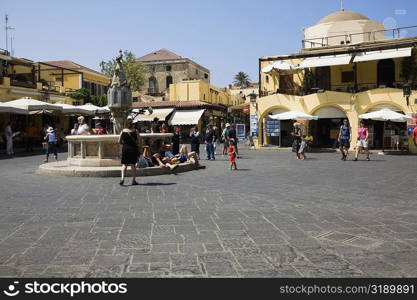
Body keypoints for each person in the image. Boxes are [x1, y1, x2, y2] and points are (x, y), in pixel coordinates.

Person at [119, 118, 140, 186]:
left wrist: (125, 144)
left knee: (124, 164)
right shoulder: (135, 131)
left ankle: (122, 178)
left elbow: (119, 141)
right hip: (133, 149)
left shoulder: (122, 131)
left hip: (125, 149)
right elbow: (139, 141)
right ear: (132, 124)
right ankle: (133, 180)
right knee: (133, 164)